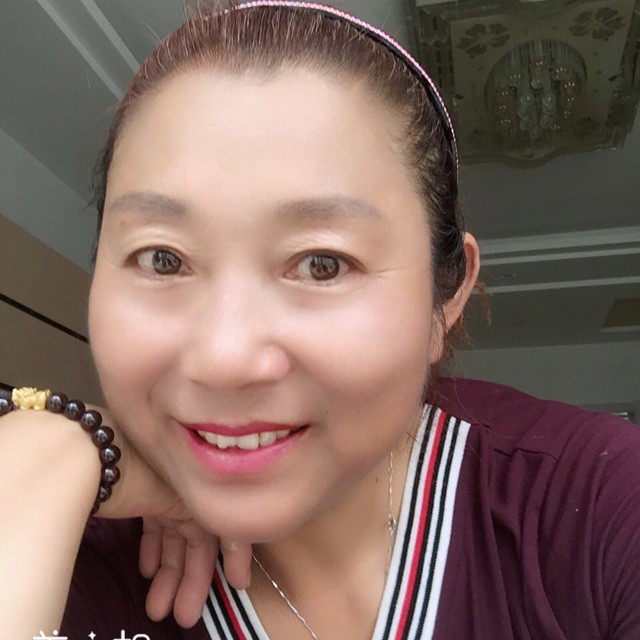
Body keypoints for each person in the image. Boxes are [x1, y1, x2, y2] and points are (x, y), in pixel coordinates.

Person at [1, 2, 639, 639]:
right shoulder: (58, 545)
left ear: (446, 296)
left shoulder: (598, 503)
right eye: (162, 258)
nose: (225, 358)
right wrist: (52, 450)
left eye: (322, 264)